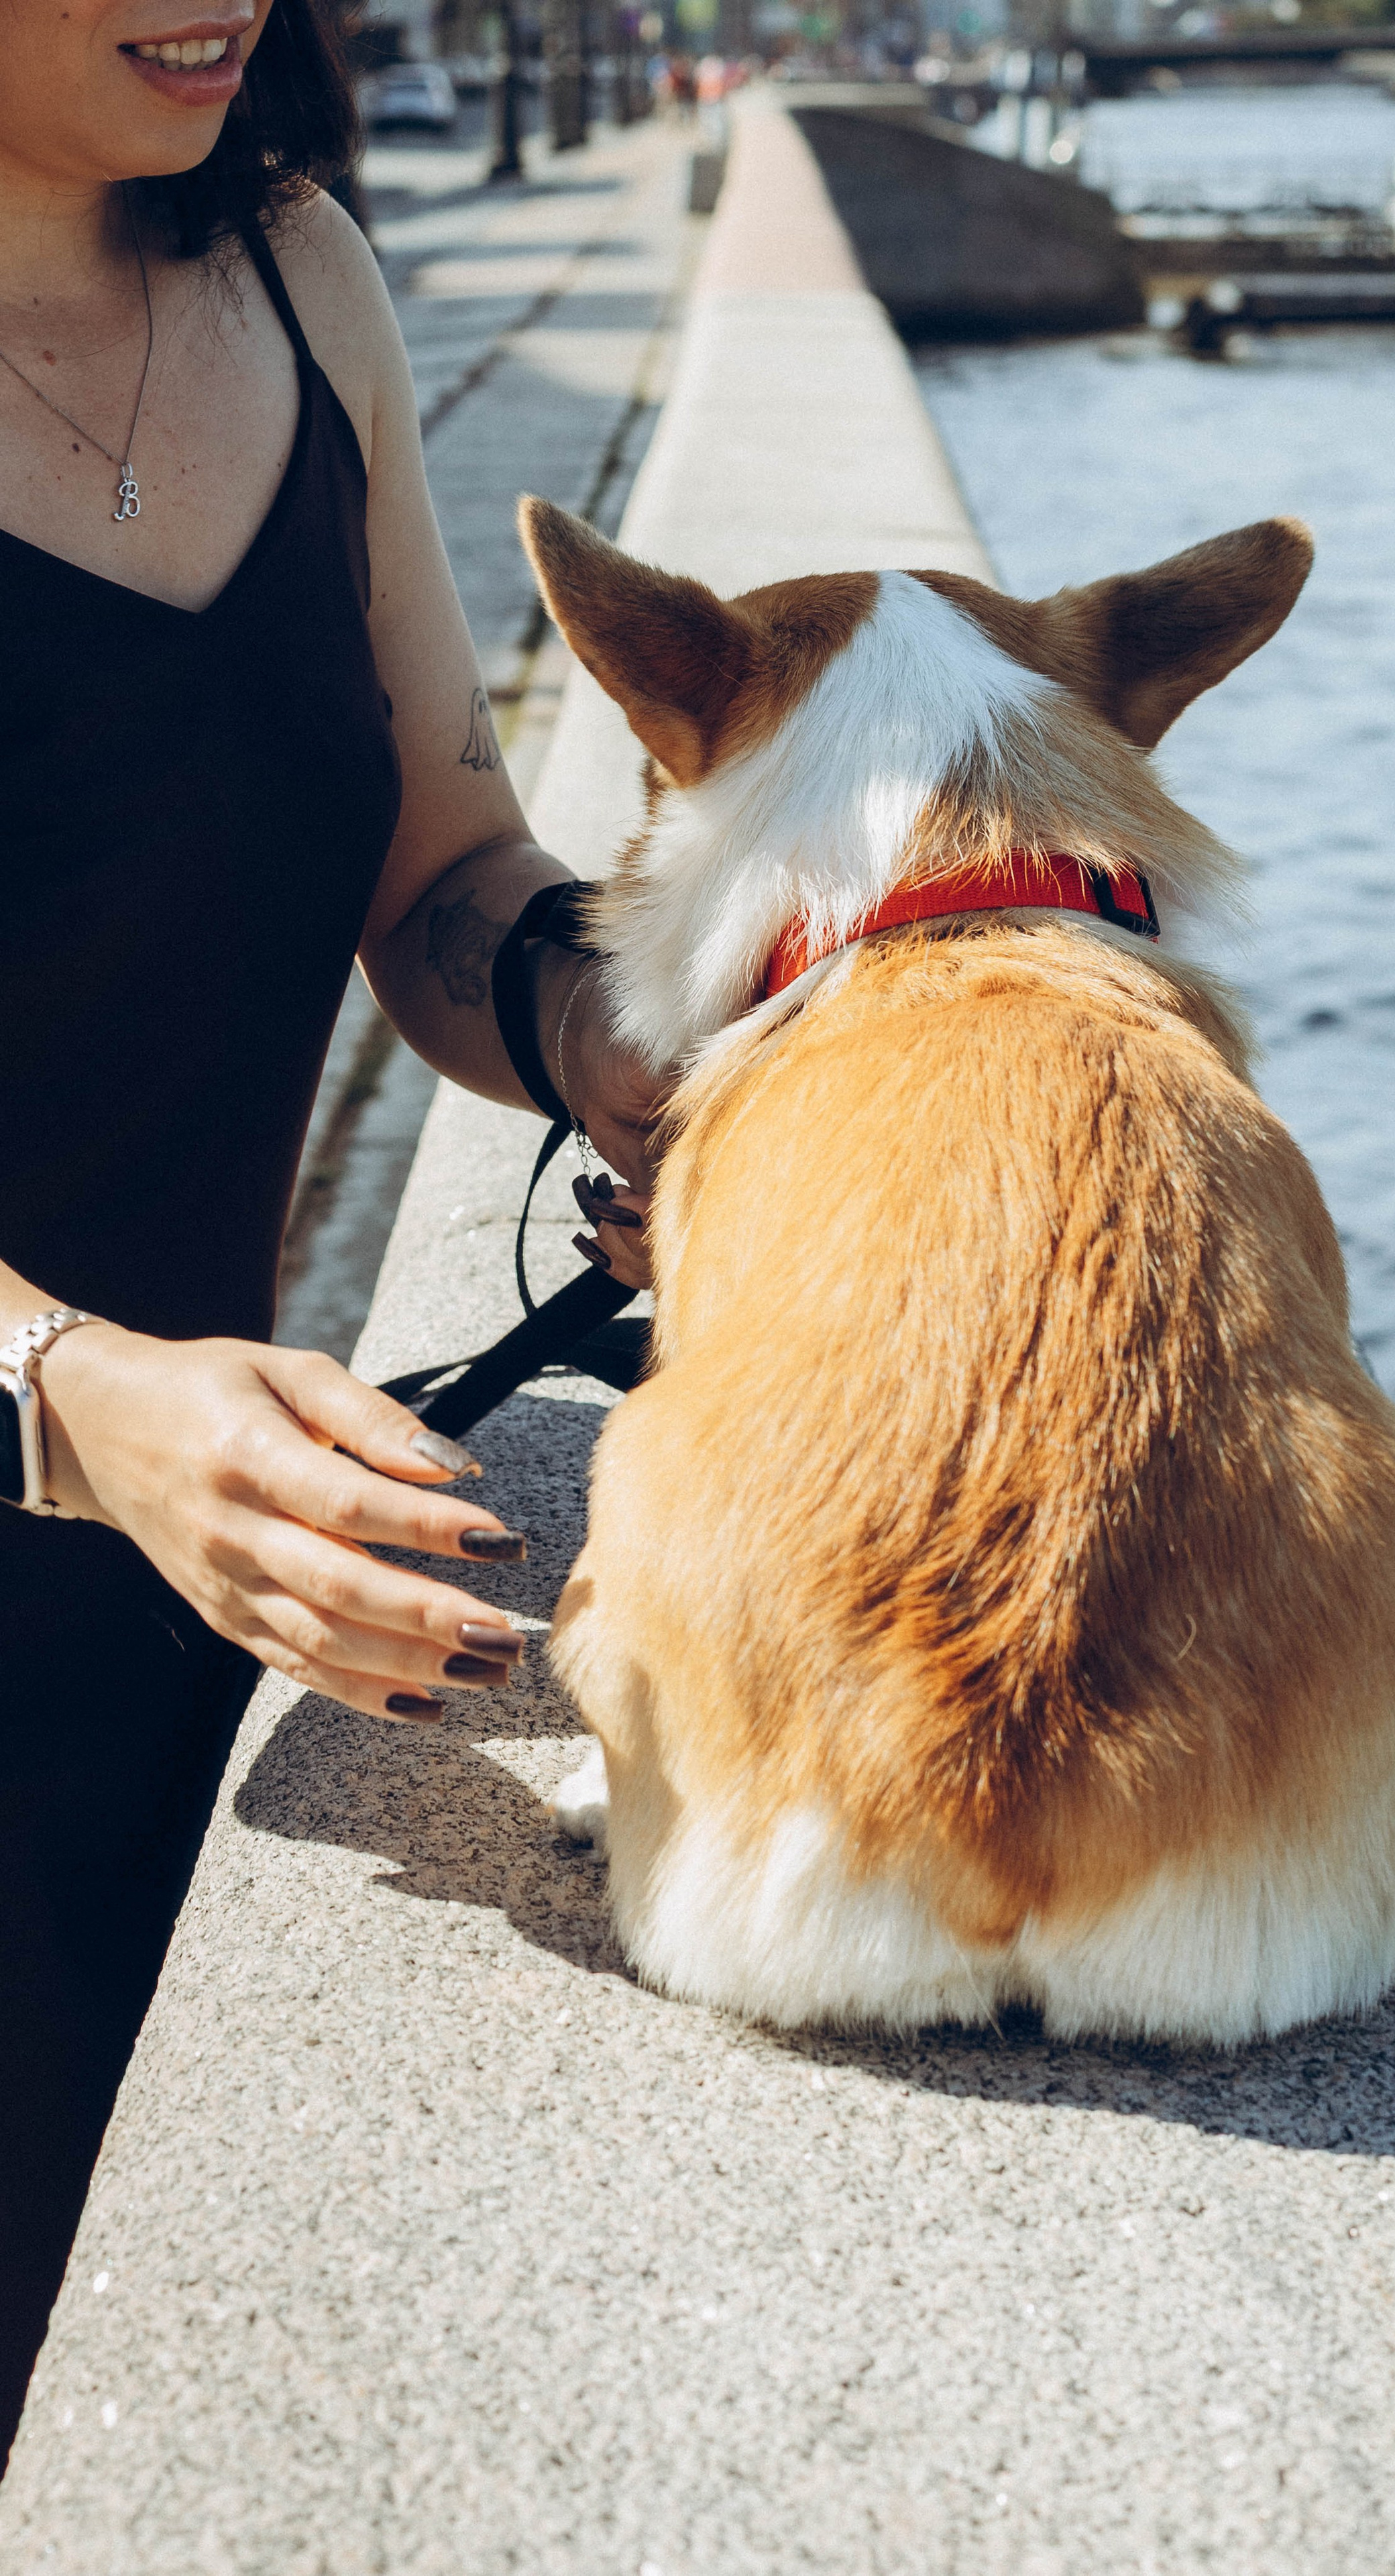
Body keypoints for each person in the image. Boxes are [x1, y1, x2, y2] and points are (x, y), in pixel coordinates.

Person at [0, 0, 659, 2455]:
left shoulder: (301, 273)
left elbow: (441, 861)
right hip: (128, 1476)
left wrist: (624, 1038)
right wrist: (74, 1397)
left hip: (190, 1591)